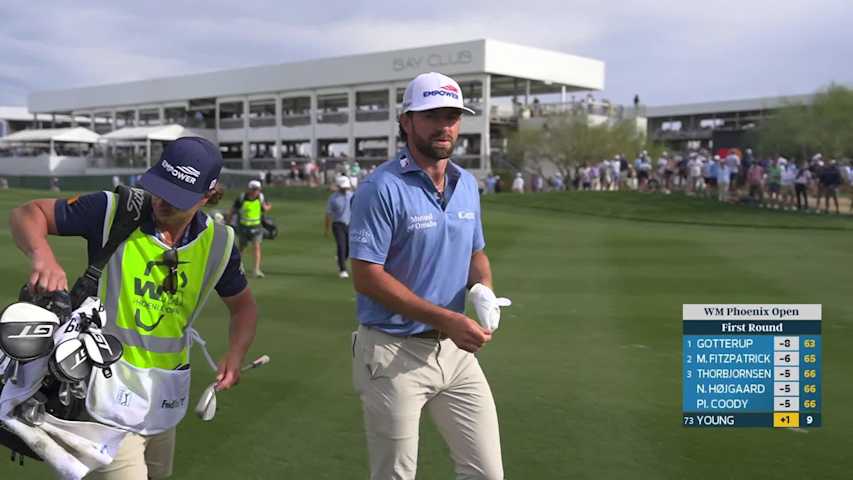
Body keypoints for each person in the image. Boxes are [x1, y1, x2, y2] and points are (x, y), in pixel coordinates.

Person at [9, 137, 258, 479]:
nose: (163, 201)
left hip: (162, 397)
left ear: (206, 196)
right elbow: (27, 213)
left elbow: (243, 308)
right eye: (161, 187)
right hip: (99, 400)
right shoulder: (114, 211)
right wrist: (43, 256)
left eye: (177, 197)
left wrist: (235, 353)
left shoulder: (220, 243)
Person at [349, 72, 504, 480]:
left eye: (452, 115)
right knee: (395, 476)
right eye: (432, 114)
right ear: (406, 121)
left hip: (455, 355)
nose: (444, 126)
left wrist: (482, 290)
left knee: (486, 473)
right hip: (392, 352)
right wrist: (447, 319)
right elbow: (366, 276)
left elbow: (476, 252)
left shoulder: (466, 184)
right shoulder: (380, 188)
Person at [230, 180, 272, 278]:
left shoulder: (261, 197)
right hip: (243, 227)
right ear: (249, 189)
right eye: (253, 189)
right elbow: (233, 210)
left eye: (257, 189)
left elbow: (266, 207)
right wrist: (229, 222)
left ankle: (256, 270)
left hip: (256, 227)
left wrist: (267, 207)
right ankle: (239, 267)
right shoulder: (241, 198)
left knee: (257, 247)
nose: (255, 191)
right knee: (242, 248)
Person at [324, 175, 353, 278]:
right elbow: (328, 214)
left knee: (349, 248)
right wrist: (326, 229)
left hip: (350, 225)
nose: (346, 189)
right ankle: (342, 270)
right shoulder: (333, 198)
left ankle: (341, 258)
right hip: (338, 225)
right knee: (341, 246)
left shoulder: (352, 195)